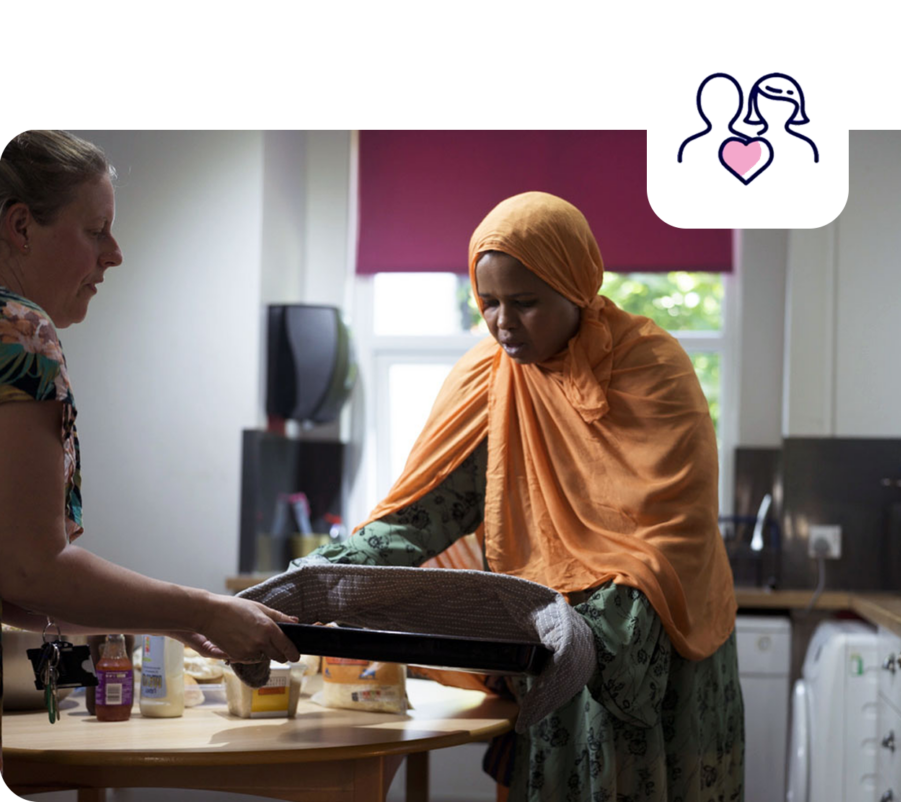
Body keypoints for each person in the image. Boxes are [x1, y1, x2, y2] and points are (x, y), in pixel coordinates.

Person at [298, 191, 744, 801]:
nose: (504, 321)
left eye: (526, 303)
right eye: (490, 303)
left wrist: (584, 639)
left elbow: (666, 543)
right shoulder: (489, 380)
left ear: (577, 288)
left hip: (653, 650)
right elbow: (422, 515)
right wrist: (322, 580)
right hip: (551, 654)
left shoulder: (651, 370)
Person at [0, 130, 300, 779]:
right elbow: (30, 569)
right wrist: (205, 608)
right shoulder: (21, 336)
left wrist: (172, 620)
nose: (116, 255)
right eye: (96, 231)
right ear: (21, 226)